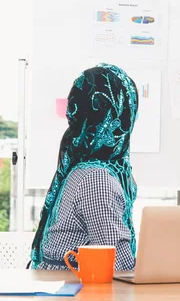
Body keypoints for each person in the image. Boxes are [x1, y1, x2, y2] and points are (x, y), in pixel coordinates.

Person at [29, 63, 139, 271]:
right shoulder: (97, 179)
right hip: (73, 293)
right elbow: (119, 264)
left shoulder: (83, 166)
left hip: (66, 289)